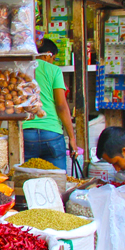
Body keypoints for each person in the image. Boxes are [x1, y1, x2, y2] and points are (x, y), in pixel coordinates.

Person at [21, 39, 77, 170]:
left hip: (26, 133)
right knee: (57, 182)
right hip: (52, 133)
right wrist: (72, 139)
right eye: (54, 58)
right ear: (48, 55)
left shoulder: (21, 68)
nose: (52, 61)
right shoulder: (54, 70)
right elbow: (61, 106)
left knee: (27, 181)